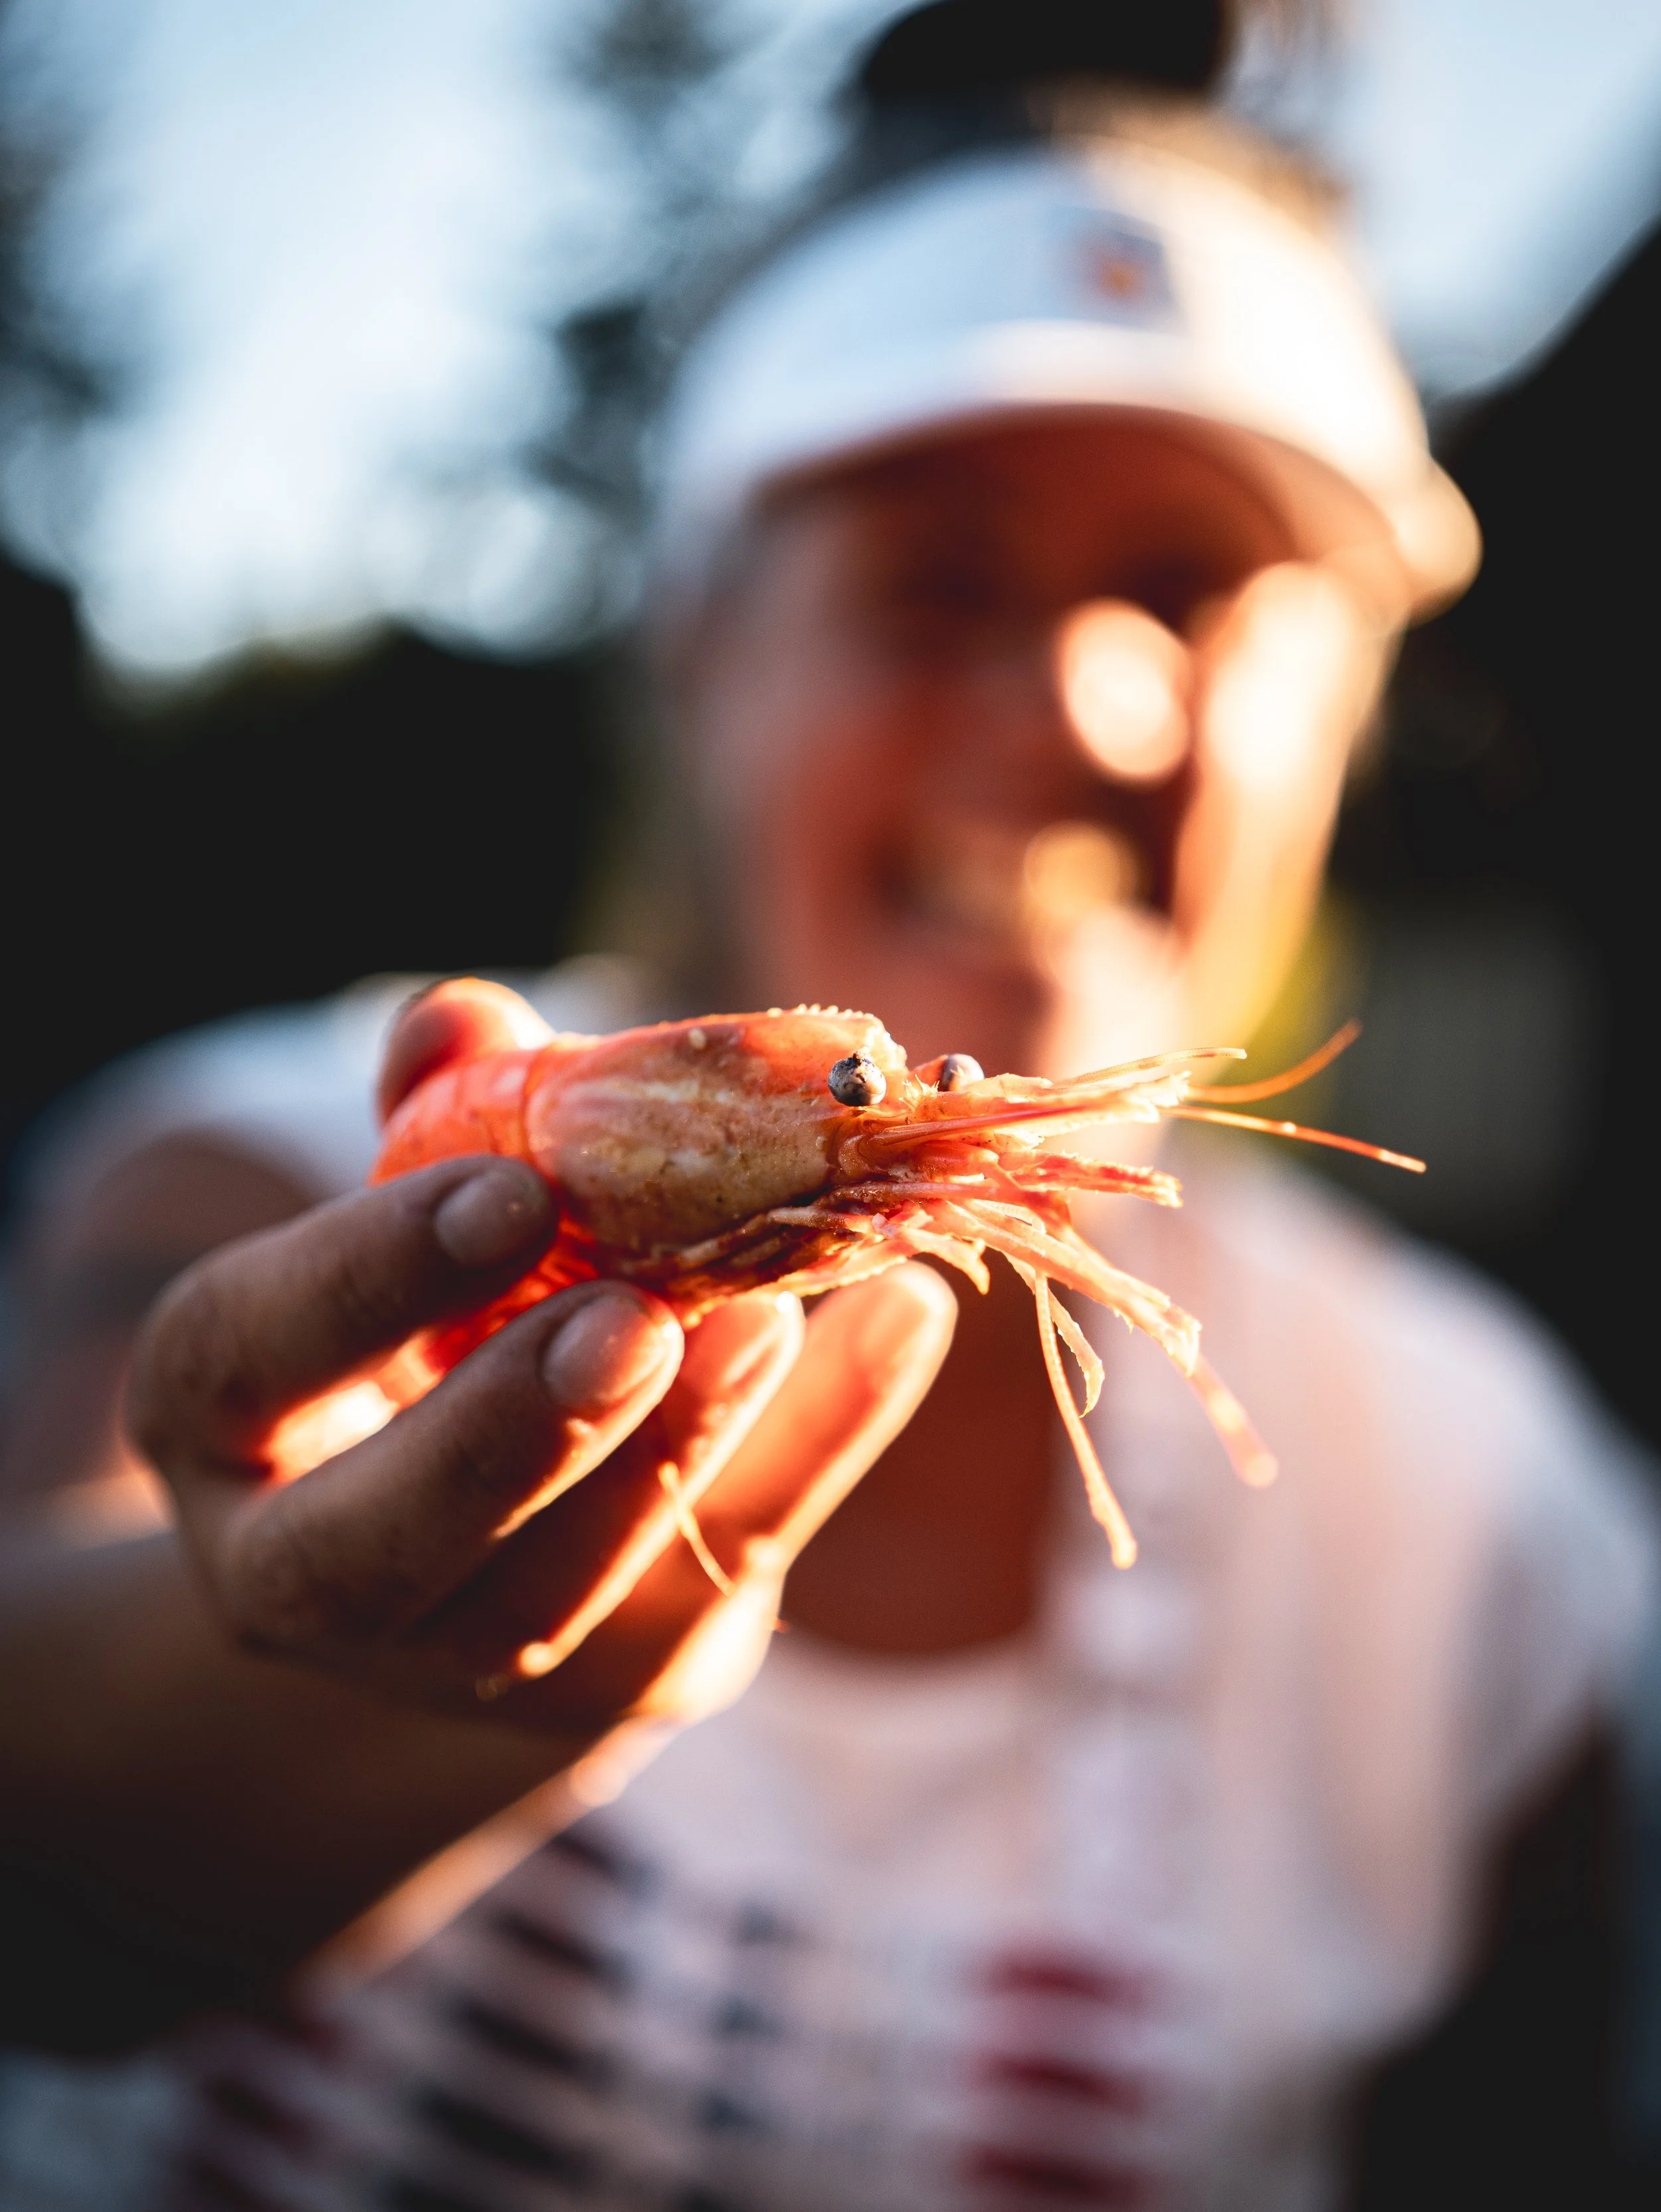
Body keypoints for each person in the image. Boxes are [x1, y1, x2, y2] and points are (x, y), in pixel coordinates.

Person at [0, 4, 1653, 2205]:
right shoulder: (232, 1170)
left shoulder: (1486, 1524)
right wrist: (266, 1651)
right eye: (934, 573)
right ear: (702, 644)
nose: (1085, 698)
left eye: (1197, 589)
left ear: (1348, 702)